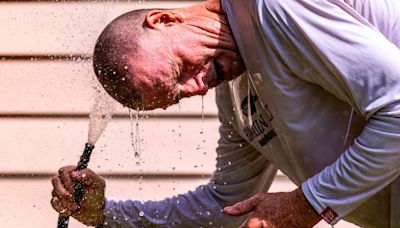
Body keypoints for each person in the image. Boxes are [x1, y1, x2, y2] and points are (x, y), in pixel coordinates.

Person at [51, 0, 400, 227]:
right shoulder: (234, 96)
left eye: (180, 70)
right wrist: (106, 214)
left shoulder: (272, 8)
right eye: (177, 96)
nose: (197, 86)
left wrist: (307, 204)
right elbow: (227, 205)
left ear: (164, 20)